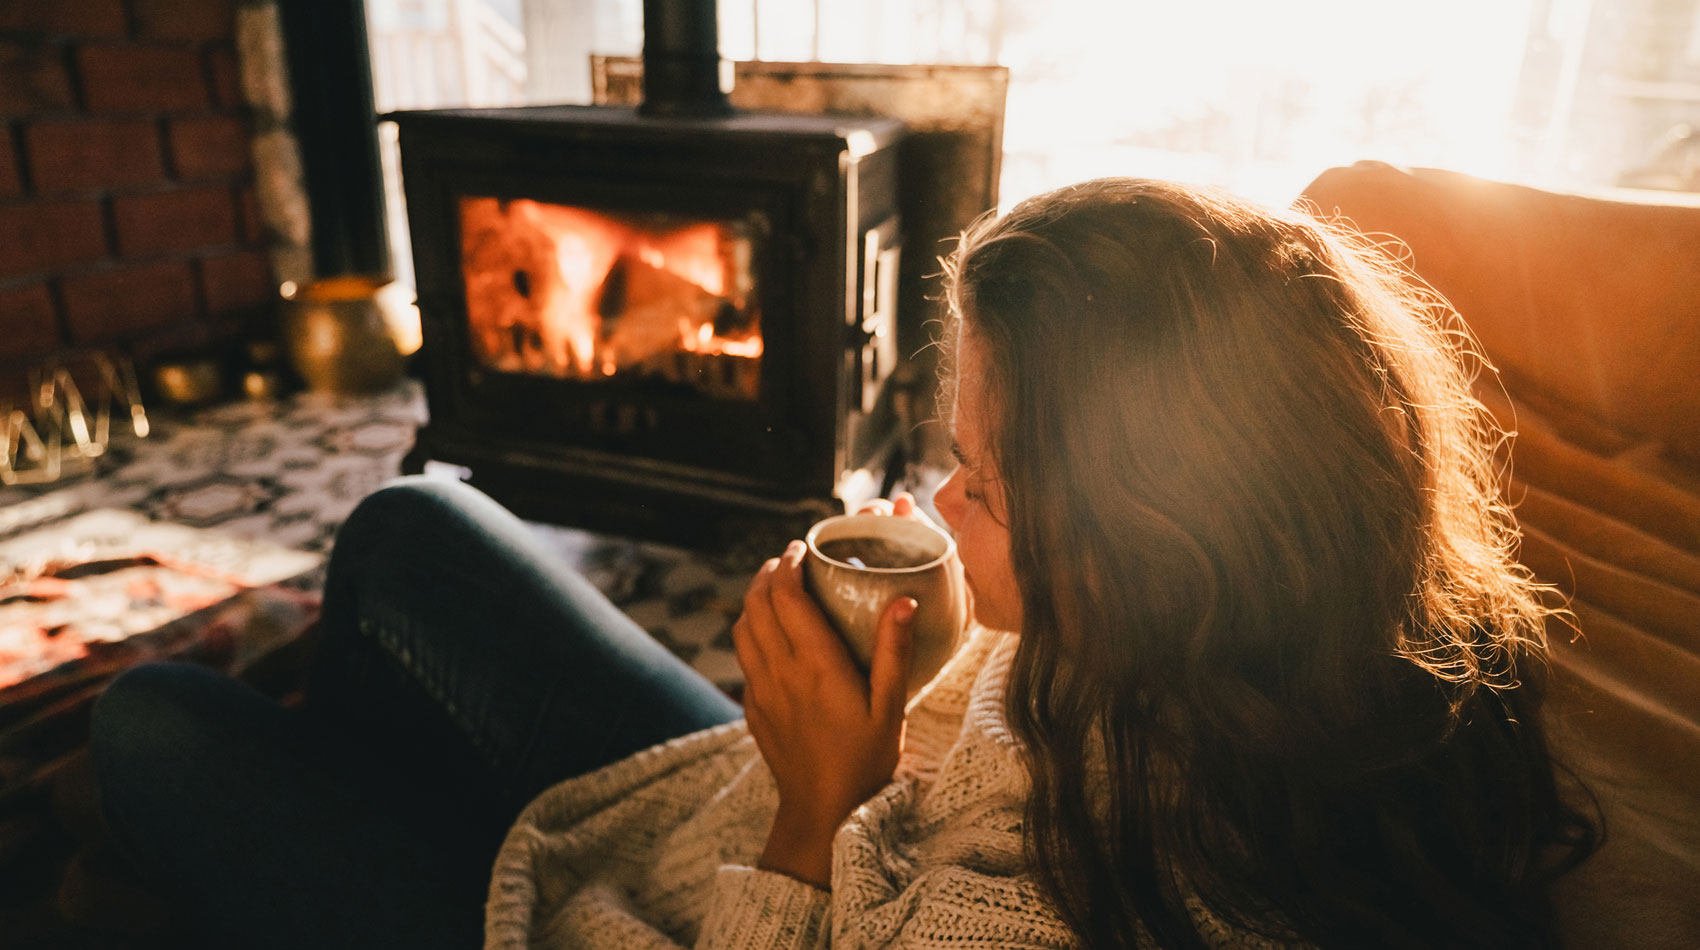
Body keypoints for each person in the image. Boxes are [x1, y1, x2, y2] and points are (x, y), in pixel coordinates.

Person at [91, 178, 1594, 950]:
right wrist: (940, 661)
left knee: (155, 720)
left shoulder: (1042, 912)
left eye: (989, 485)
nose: (945, 494)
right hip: (764, 802)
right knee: (412, 526)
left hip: (760, 869)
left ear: (1153, 549)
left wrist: (818, 809)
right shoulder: (1293, 630)